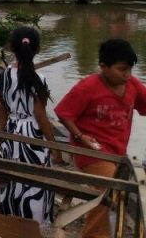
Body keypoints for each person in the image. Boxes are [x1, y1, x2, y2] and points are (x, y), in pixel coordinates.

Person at [55, 39, 146, 238]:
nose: (127, 74)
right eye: (121, 69)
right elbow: (63, 112)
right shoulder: (88, 86)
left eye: (130, 69)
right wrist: (79, 136)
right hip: (90, 152)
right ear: (103, 66)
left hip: (117, 153)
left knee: (121, 191)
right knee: (110, 189)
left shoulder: (131, 85)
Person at [0, 27, 57, 225]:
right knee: (35, 182)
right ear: (37, 49)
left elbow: (2, 109)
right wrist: (55, 146)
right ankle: (33, 225)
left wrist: (1, 133)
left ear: (11, 47)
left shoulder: (4, 75)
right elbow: (40, 116)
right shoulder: (38, 79)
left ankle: (10, 222)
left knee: (11, 180)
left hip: (11, 133)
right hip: (32, 137)